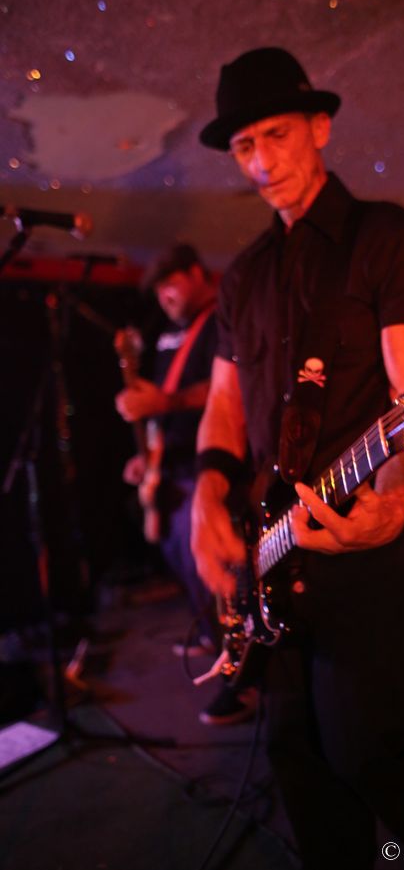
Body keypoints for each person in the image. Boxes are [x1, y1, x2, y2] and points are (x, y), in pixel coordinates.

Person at [191, 48, 404, 869]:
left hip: (366, 547)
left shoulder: (392, 240)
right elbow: (224, 401)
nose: (262, 162)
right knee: (295, 752)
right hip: (273, 548)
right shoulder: (243, 276)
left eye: (277, 135)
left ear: (320, 127)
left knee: (372, 750)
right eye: (245, 146)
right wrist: (206, 493)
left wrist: (396, 499)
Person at [115, 245, 255, 724]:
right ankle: (215, 642)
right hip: (172, 466)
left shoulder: (219, 322)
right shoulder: (168, 337)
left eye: (171, 285)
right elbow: (163, 406)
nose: (166, 298)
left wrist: (166, 403)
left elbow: (226, 392)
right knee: (189, 571)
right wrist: (146, 457)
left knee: (216, 576)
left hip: (208, 469)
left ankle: (242, 680)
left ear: (197, 274)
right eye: (159, 291)